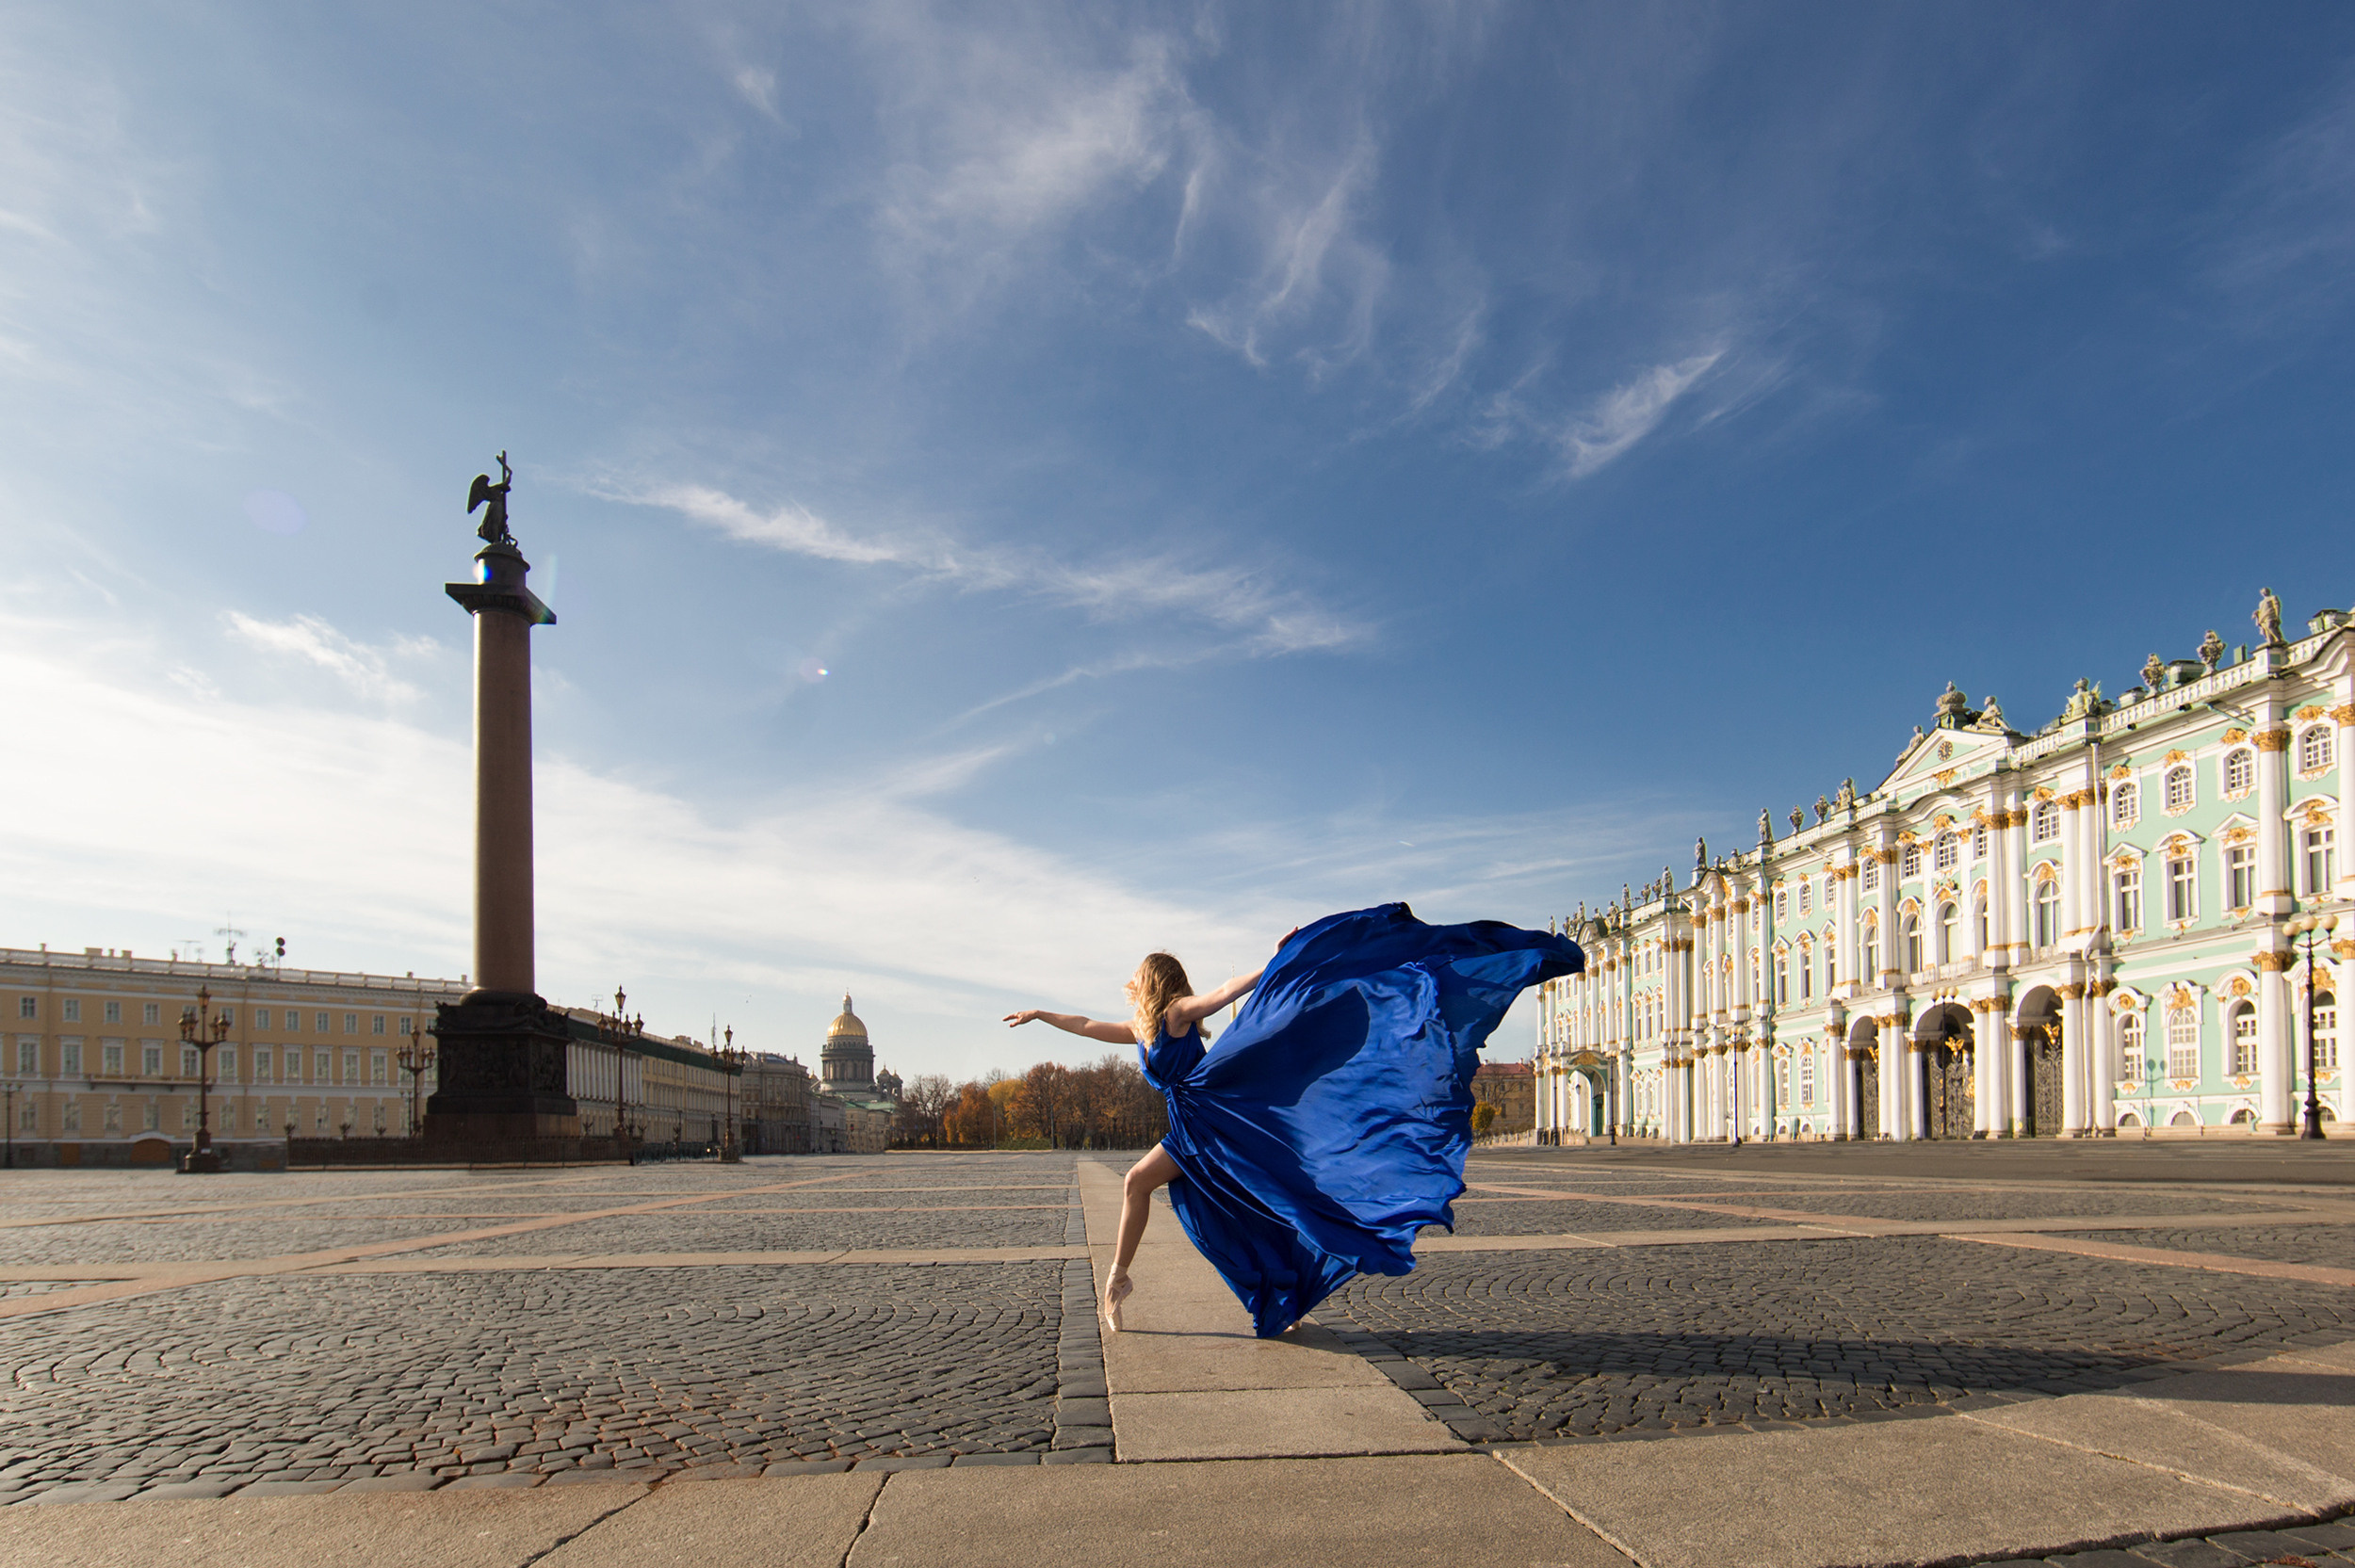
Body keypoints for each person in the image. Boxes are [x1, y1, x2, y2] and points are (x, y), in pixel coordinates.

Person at [1004, 902, 1582, 1337]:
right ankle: (1271, 1294)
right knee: (1246, 1213)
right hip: (1198, 1126)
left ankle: (1120, 1278)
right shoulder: (1143, 1029)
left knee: (1143, 1183)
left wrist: (1275, 964)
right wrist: (1040, 1014)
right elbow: (1086, 1026)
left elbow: (1225, 992)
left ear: (1152, 981)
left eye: (1137, 975)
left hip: (1208, 1124)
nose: (1131, 983)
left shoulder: (1177, 1014)